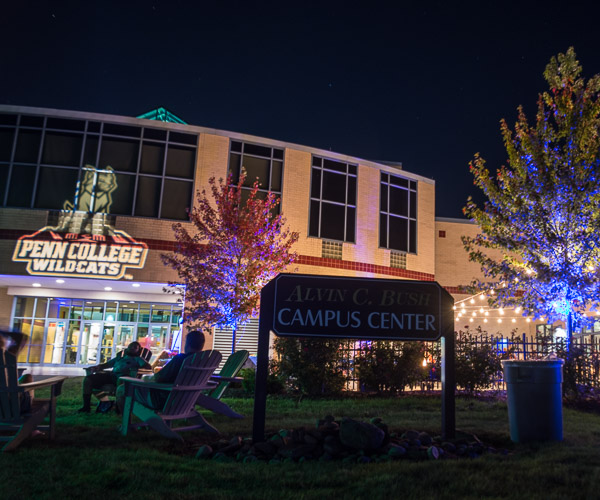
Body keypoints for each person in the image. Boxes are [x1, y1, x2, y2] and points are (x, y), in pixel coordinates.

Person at [116, 330, 205, 412]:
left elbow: (158, 378)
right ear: (201, 345)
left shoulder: (180, 359)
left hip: (162, 400)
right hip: (187, 402)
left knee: (122, 389)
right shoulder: (204, 362)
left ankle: (126, 421)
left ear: (187, 344)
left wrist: (145, 379)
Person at [78, 341, 151, 413]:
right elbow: (106, 365)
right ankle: (86, 407)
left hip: (124, 379)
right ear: (127, 348)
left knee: (120, 380)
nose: (132, 348)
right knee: (88, 380)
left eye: (135, 347)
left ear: (138, 350)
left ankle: (118, 406)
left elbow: (148, 367)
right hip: (111, 376)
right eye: (130, 346)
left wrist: (135, 370)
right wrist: (97, 367)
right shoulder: (119, 358)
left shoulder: (138, 359)